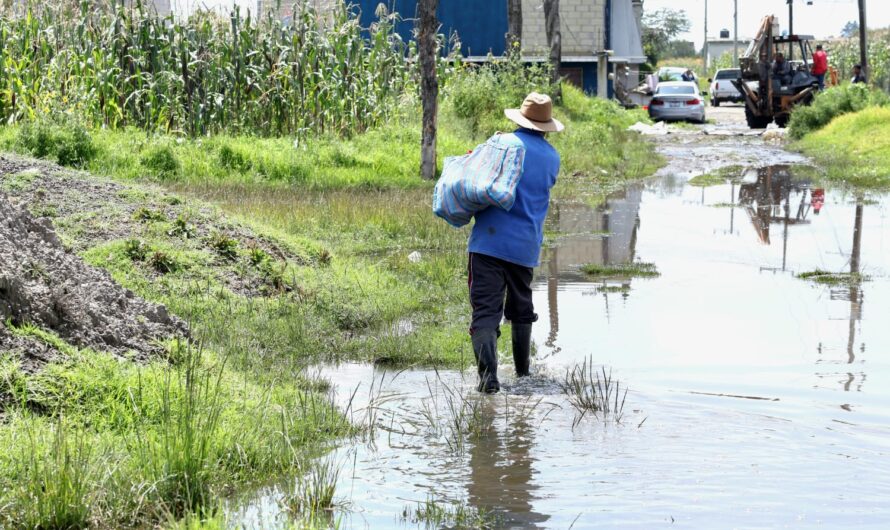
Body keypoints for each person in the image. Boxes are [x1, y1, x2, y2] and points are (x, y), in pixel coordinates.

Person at [467, 93, 563, 393]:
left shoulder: (502, 144)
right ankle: (523, 374)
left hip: (488, 244)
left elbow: (476, 178)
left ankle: (488, 379)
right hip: (525, 247)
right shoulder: (552, 157)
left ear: (520, 119)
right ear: (545, 125)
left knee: (485, 311)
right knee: (521, 307)